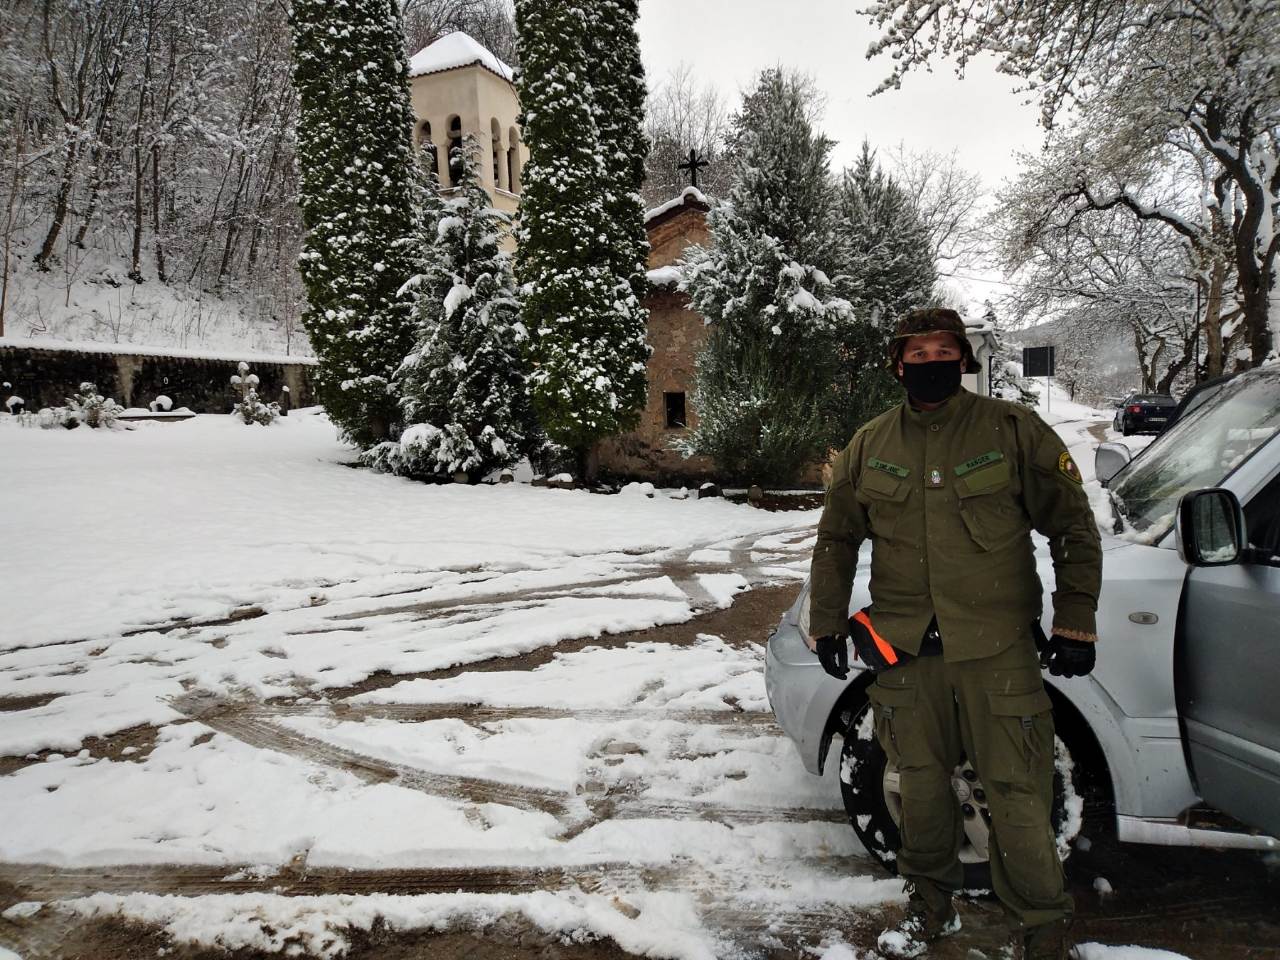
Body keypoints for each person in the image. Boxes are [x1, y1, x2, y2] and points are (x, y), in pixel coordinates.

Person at [808, 308, 1102, 960]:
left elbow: (1073, 527)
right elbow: (836, 539)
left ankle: (1042, 931)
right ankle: (929, 911)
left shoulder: (1013, 429)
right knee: (919, 791)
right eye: (918, 353)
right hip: (906, 658)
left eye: (943, 350)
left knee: (1019, 795)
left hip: (998, 652)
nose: (931, 361)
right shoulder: (871, 444)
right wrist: (825, 623)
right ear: (898, 364)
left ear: (963, 358)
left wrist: (1075, 622)